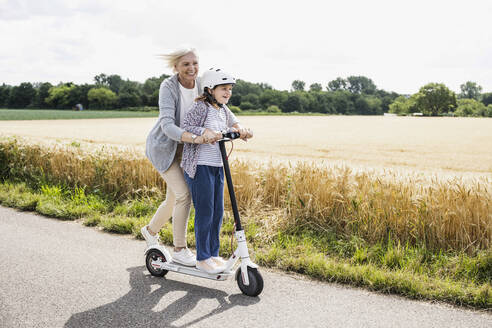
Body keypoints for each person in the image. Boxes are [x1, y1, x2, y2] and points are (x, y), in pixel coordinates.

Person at [142, 48, 222, 267]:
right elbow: (167, 125)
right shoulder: (168, 87)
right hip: (164, 148)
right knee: (184, 195)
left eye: (195, 63)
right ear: (175, 67)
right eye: (186, 64)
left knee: (174, 198)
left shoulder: (201, 85)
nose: (192, 68)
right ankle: (179, 249)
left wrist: (235, 126)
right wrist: (195, 138)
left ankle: (150, 231)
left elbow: (218, 105)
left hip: (187, 150)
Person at [181, 68, 253, 274]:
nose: (228, 92)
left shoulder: (222, 109)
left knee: (217, 212)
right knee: (205, 212)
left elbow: (234, 122)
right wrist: (206, 132)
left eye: (230, 89)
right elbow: (187, 126)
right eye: (224, 88)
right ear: (210, 89)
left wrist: (242, 130)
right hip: (200, 166)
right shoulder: (201, 107)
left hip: (217, 165)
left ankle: (213, 254)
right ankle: (202, 258)